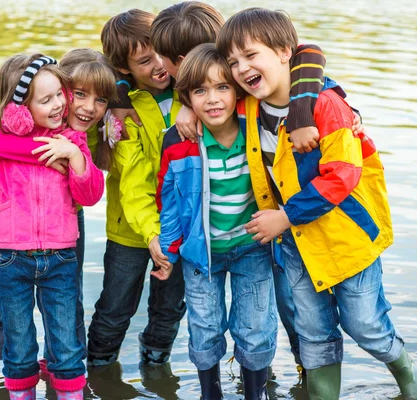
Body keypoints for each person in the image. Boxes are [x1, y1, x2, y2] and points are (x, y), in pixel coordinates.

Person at [217, 8, 417, 400]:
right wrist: (184, 105)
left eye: (251, 55)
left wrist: (285, 215)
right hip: (297, 244)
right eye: (233, 62)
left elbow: (343, 176)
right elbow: (205, 93)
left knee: (366, 326)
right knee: (313, 331)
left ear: (285, 52)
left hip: (345, 239)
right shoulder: (247, 105)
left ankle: (411, 380)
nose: (241, 68)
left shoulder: (326, 104)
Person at [149, 1, 363, 378]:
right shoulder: (198, 112)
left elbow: (307, 55)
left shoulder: (250, 94)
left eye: (167, 59)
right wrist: (184, 102)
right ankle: (290, 376)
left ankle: (300, 370)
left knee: (286, 308)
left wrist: (302, 112)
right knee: (236, 317)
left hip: (272, 229)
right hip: (236, 237)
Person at [0, 53, 104, 399]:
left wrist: (75, 158)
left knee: (66, 341)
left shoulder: (70, 141)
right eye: (46, 100)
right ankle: (17, 391)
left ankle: (71, 392)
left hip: (59, 256)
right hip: (10, 256)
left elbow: (88, 196)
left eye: (61, 93)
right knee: (18, 344)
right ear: (19, 109)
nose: (60, 104)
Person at [156, 43, 278, 400]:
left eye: (222, 87)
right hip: (201, 255)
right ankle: (211, 394)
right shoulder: (178, 142)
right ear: (187, 99)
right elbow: (170, 201)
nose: (212, 99)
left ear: (238, 91)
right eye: (200, 90)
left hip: (251, 248)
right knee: (205, 328)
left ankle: (255, 394)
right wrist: (168, 250)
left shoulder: (257, 130)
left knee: (255, 328)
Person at [86, 9, 187, 367]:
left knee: (169, 309)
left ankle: (156, 364)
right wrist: (151, 234)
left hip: (181, 231)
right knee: (114, 308)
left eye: (163, 52)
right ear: (124, 69)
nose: (160, 64)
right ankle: (97, 369)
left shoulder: (191, 95)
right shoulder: (120, 111)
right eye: (145, 61)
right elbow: (133, 181)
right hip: (130, 232)